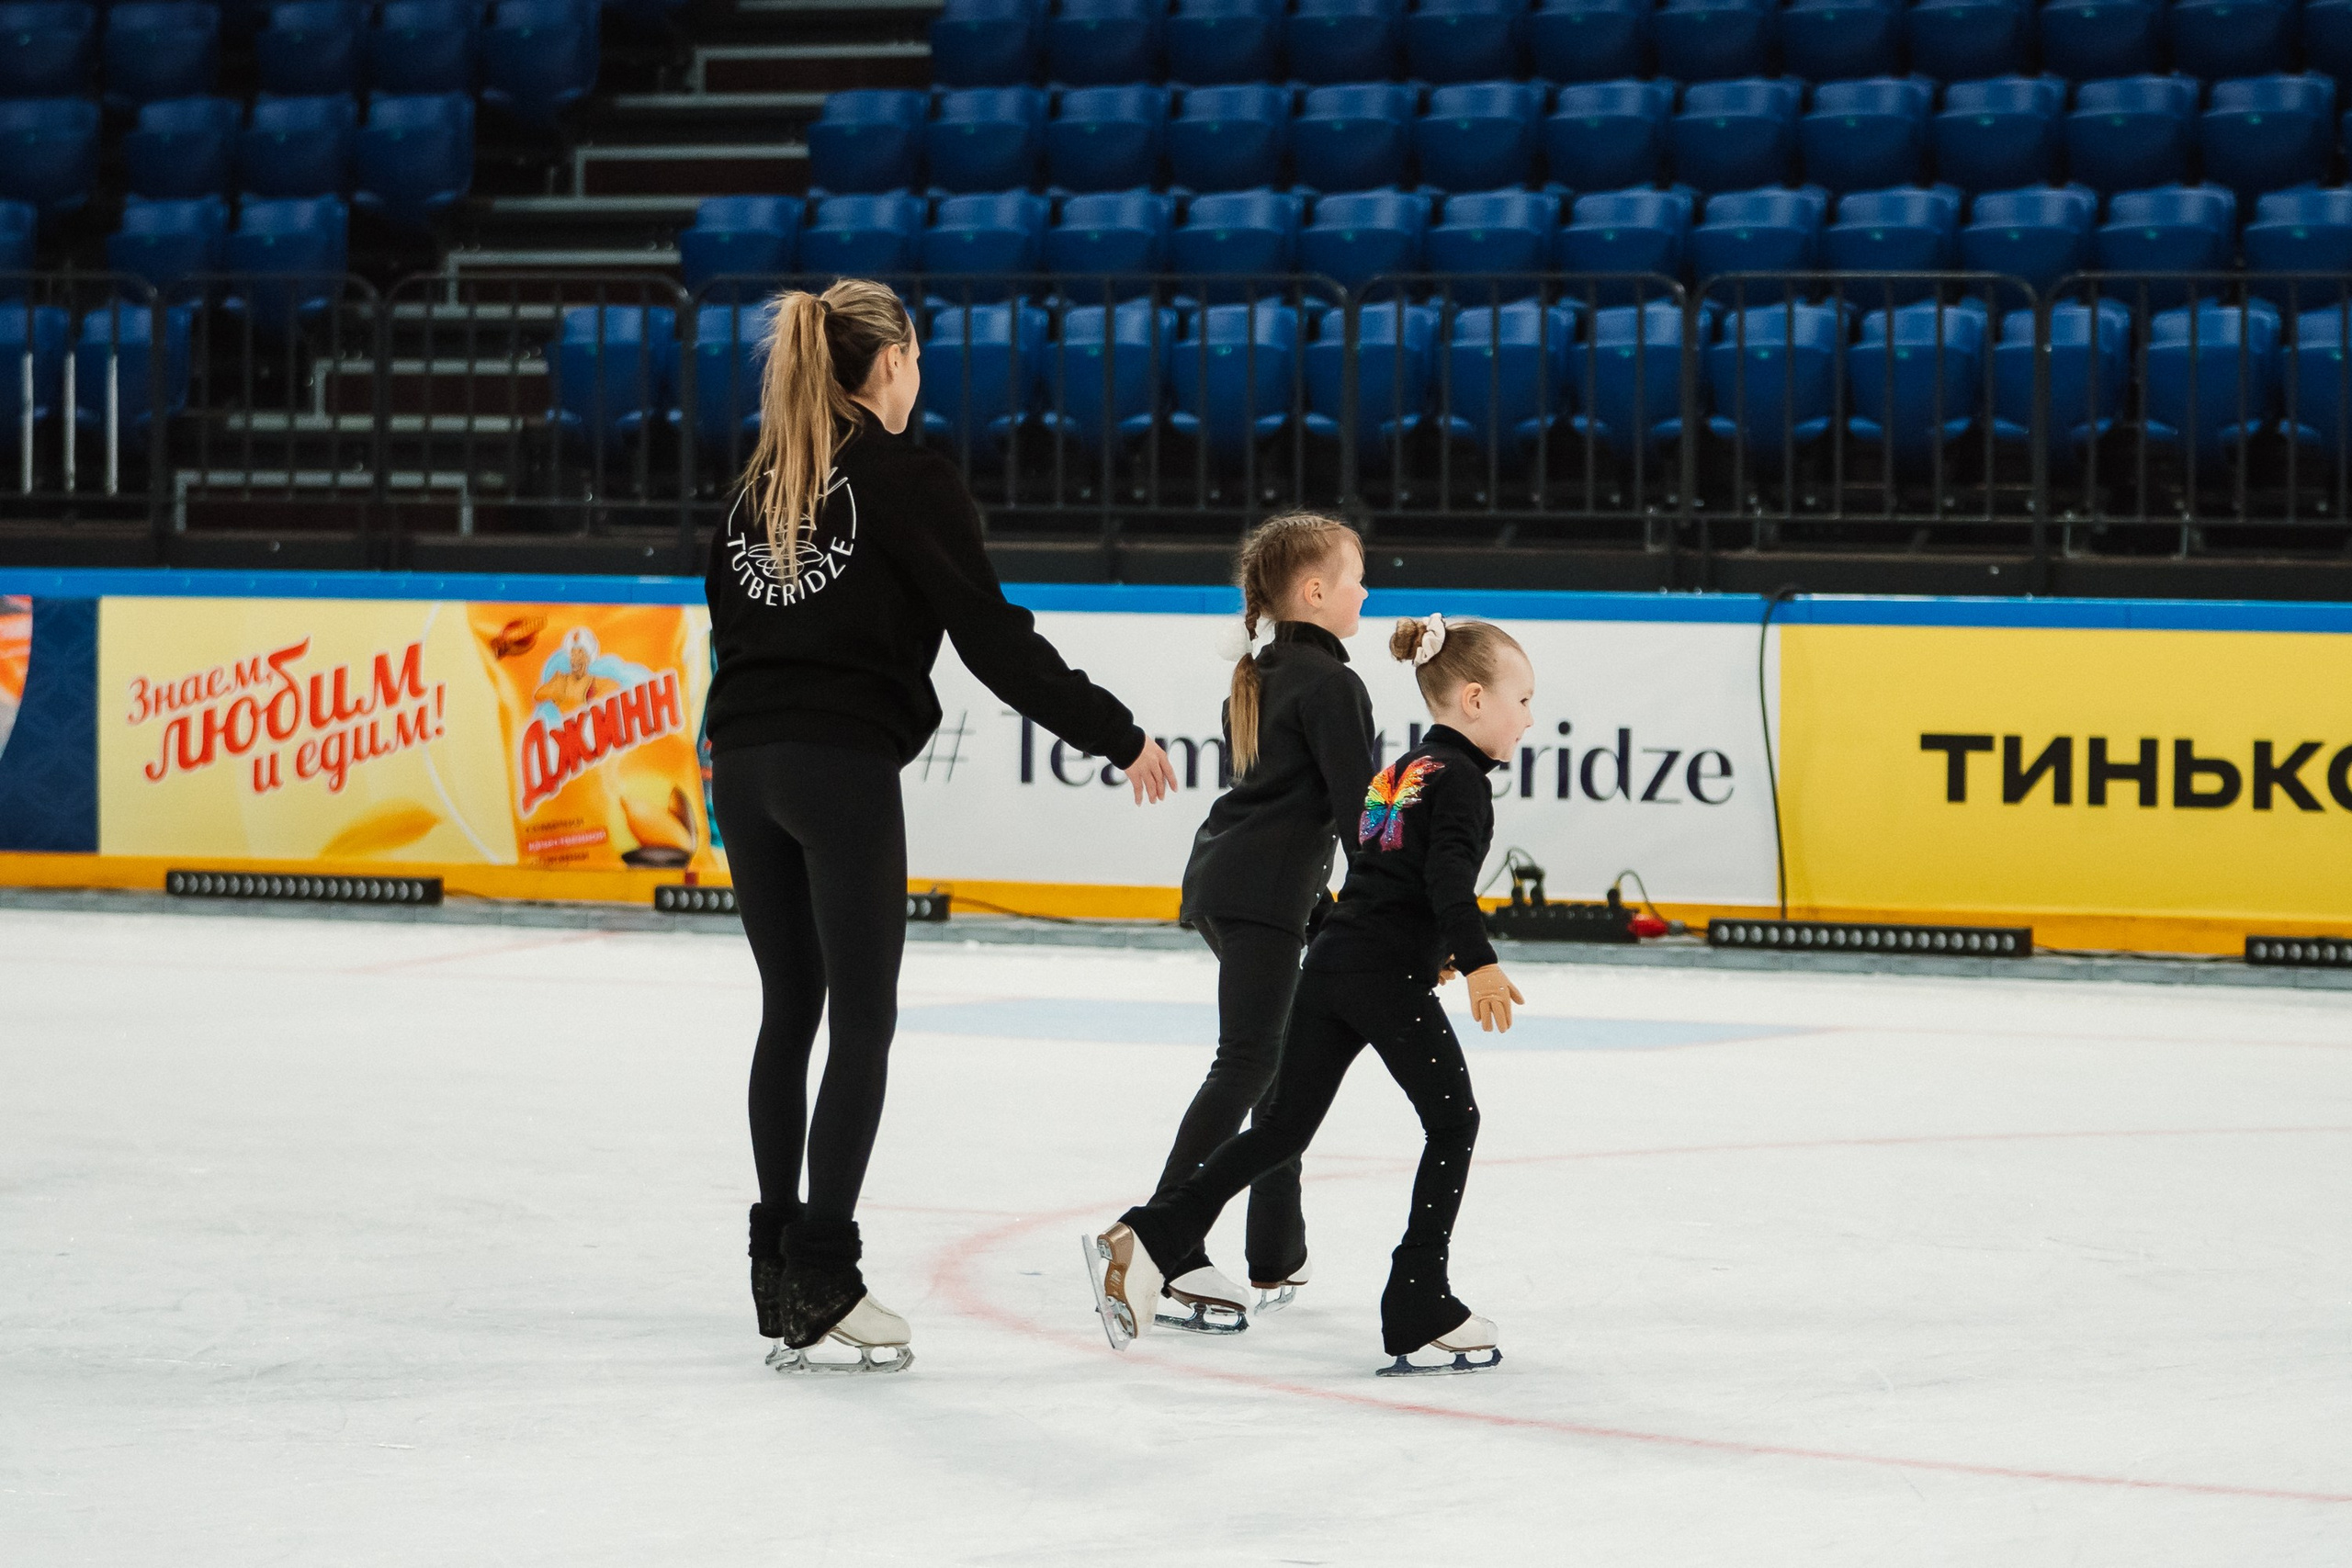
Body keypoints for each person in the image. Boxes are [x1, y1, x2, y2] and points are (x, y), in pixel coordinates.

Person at [707, 278, 1179, 1374]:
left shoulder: (755, 491)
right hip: (835, 767)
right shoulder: (909, 479)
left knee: (792, 1010)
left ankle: (778, 1263)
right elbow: (993, 640)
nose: (921, 373)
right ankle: (824, 1276)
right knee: (861, 1019)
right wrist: (1115, 733)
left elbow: (731, 629)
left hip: (747, 765)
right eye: (914, 355)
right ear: (886, 366)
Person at [1087, 614, 1532, 1376]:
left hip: (1330, 965)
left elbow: (1383, 879)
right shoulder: (1462, 783)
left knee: (1280, 1129)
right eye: (1522, 698)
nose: (1529, 715)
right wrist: (1476, 957)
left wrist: (1431, 949)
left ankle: (1148, 1236)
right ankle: (1420, 1303)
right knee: (1454, 1120)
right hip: (1377, 976)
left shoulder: (1408, 769)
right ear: (1473, 699)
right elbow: (1446, 880)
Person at [1149, 512, 1376, 1334]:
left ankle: (1275, 1248)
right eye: (1355, 576)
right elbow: (1360, 816)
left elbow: (1285, 801)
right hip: (1263, 896)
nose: (1366, 589)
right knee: (1248, 1064)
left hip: (1238, 885)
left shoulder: (1270, 670)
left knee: (1278, 1077)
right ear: (1314, 592)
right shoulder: (1334, 685)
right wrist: (1388, 904)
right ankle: (1160, 1240)